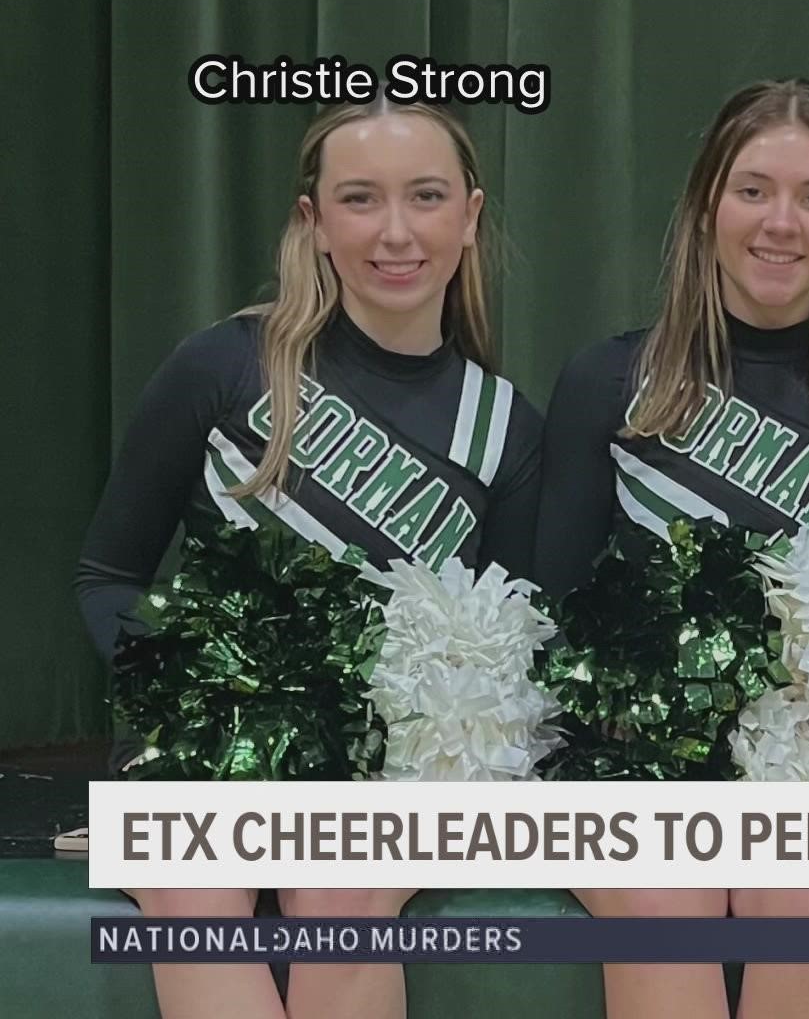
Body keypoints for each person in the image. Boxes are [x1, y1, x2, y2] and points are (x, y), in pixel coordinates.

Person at [73, 99, 541, 1019]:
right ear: (314, 222)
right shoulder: (228, 364)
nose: (396, 231)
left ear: (471, 216)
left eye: (427, 197)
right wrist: (188, 699)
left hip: (392, 770)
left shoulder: (506, 430)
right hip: (207, 751)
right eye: (360, 199)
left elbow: (523, 647)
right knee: (192, 887)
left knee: (347, 887)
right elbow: (106, 576)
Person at [534, 77, 809, 1019]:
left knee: (807, 908)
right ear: (706, 207)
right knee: (660, 909)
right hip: (633, 763)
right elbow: (550, 614)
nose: (781, 223)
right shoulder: (609, 380)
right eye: (754, 190)